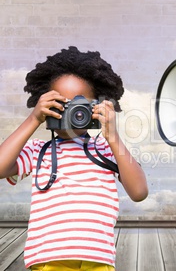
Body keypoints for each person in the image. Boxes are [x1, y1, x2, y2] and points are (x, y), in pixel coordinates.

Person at [0, 46, 148, 270]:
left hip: (97, 261)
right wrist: (33, 119)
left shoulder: (106, 149)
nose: (72, 114)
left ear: (97, 106)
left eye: (79, 106)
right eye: (61, 105)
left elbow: (139, 192)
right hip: (49, 259)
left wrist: (113, 136)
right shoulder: (38, 150)